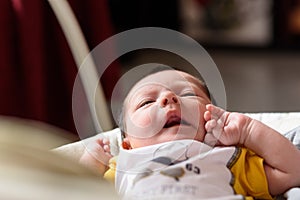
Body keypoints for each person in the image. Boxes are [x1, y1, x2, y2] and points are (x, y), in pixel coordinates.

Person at [79, 67, 300, 199]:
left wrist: (248, 131)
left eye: (187, 94)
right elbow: (72, 192)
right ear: (127, 144)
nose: (168, 98)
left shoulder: (226, 157)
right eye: (147, 101)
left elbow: (293, 171)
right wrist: (91, 163)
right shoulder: (122, 167)